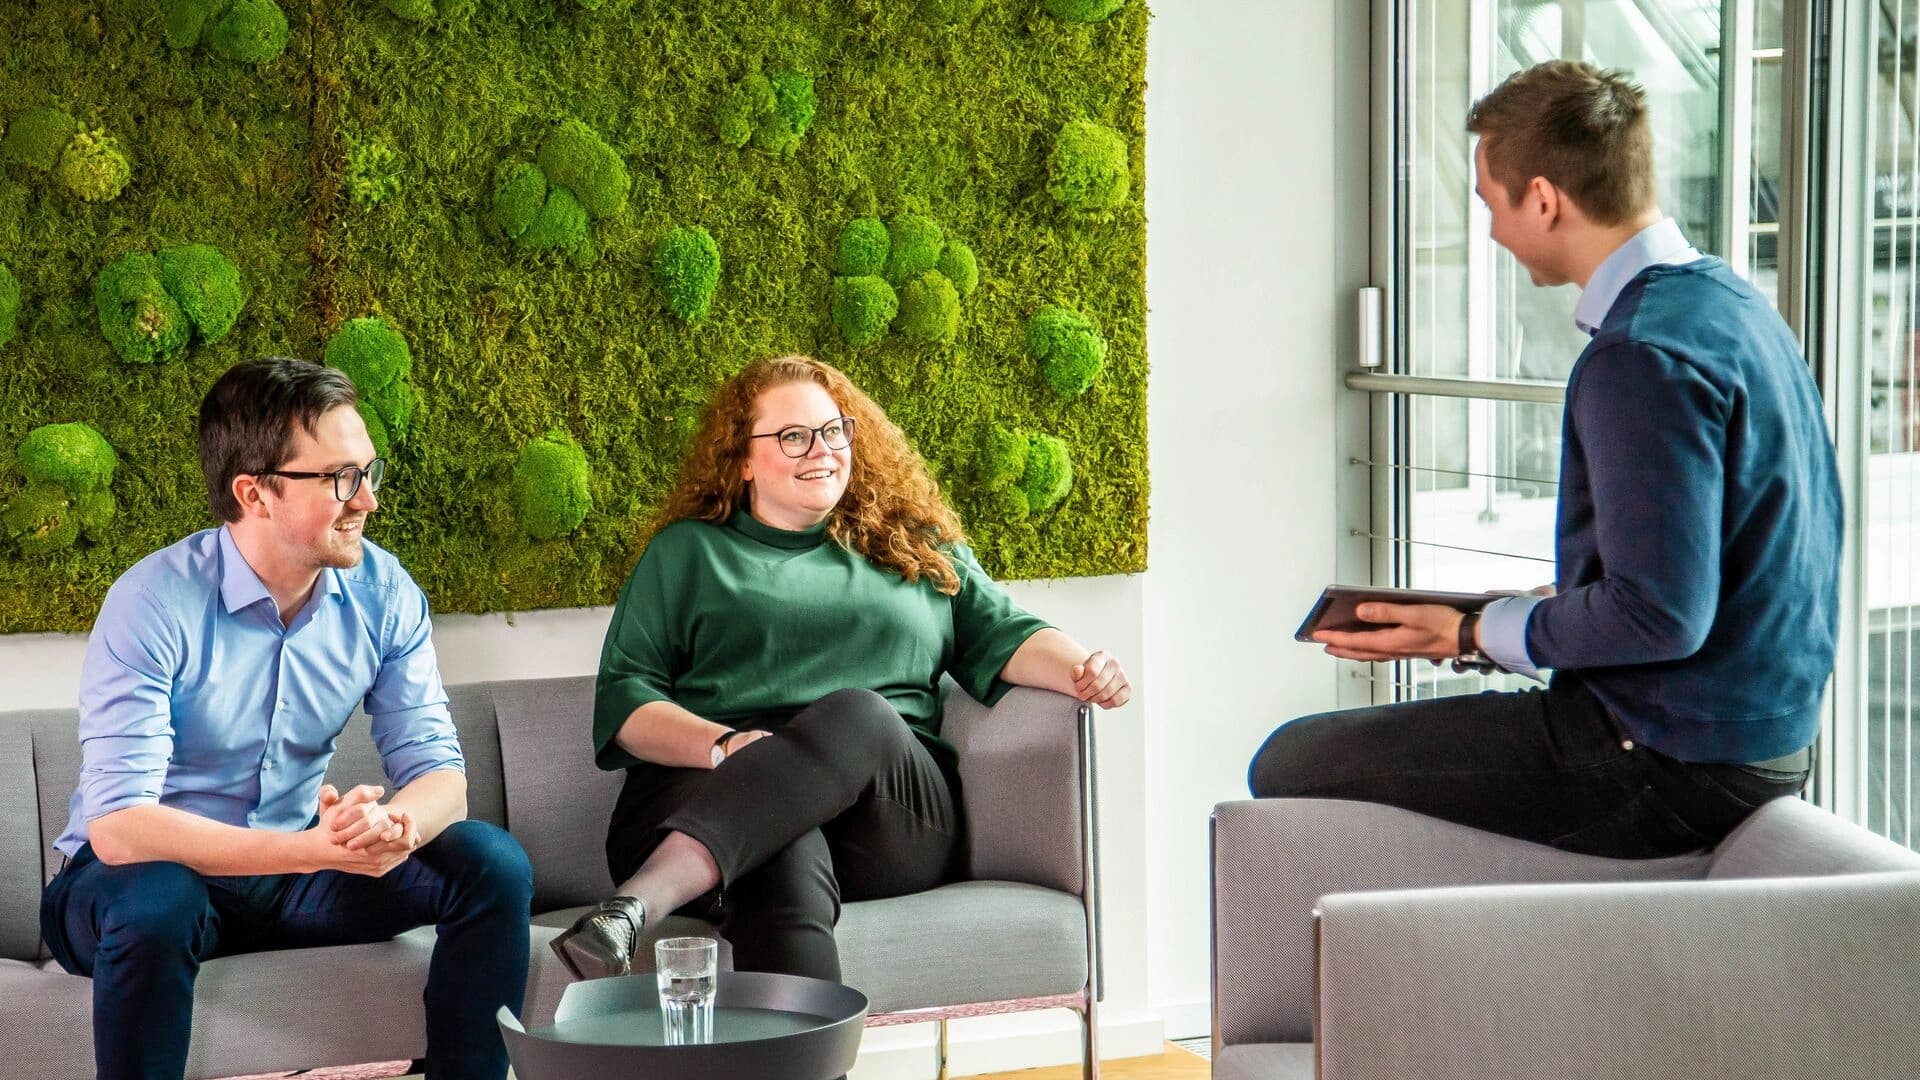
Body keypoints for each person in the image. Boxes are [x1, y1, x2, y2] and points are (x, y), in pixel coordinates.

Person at [1248, 60, 1842, 857]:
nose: (1492, 232)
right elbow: (1707, 564)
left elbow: (1660, 615)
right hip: (1754, 739)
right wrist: (1485, 622)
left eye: (1489, 203)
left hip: (1672, 762)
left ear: (1542, 199)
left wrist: (1469, 635)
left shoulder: (1639, 355)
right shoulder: (1728, 306)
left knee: (1289, 760)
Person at [551, 354, 1131, 981]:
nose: (821, 451)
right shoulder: (686, 553)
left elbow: (1006, 633)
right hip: (709, 786)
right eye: (793, 436)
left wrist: (1084, 669)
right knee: (780, 846)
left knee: (858, 714)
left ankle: (637, 904)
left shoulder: (912, 544)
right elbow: (626, 702)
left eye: (833, 431)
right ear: (742, 458)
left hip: (887, 813)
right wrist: (725, 747)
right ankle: (806, 1040)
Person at [40, 358, 534, 1080]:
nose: (368, 500)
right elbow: (120, 828)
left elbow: (441, 776)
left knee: (492, 863)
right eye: (341, 478)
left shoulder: (384, 593)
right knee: (162, 899)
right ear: (255, 493)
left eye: (369, 472)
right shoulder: (153, 603)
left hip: (291, 879)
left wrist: (393, 827)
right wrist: (312, 851)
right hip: (128, 885)